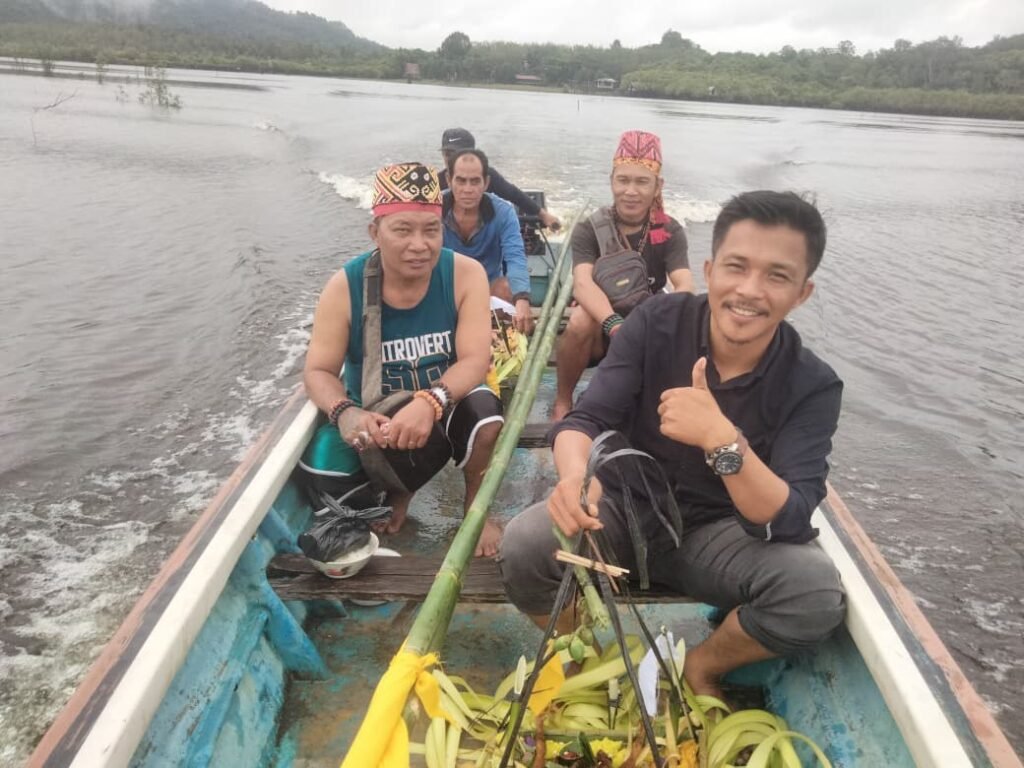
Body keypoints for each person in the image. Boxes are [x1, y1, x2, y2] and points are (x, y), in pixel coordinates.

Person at [499, 190, 847, 697]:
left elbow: (788, 518)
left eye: (777, 276)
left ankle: (701, 667)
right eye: (736, 267)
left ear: (802, 293)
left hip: (720, 534)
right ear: (709, 269)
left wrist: (724, 441)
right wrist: (574, 478)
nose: (750, 290)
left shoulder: (812, 384)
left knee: (813, 592)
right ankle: (589, 656)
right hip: (620, 511)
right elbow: (586, 419)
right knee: (523, 548)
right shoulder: (655, 322)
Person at [301, 162, 505, 557]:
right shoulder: (345, 286)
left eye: (431, 230)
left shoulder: (465, 274)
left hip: (444, 405)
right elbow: (318, 371)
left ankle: (475, 506)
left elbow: (475, 359)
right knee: (321, 465)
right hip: (377, 416)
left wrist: (429, 402)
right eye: (402, 230)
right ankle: (396, 491)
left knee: (485, 417)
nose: (419, 245)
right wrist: (345, 413)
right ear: (375, 232)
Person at [552, 130, 693, 421]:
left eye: (642, 182)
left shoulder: (670, 231)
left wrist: (657, 322)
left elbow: (684, 284)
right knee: (579, 319)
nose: (630, 191)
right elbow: (582, 283)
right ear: (612, 181)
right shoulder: (590, 229)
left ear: (658, 186)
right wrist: (615, 325)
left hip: (646, 324)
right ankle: (563, 401)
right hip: (603, 326)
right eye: (623, 180)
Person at [442, 148, 533, 334]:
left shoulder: (504, 212)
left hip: (486, 290)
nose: (468, 189)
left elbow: (515, 257)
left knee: (507, 288)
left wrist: (522, 299)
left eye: (475, 181)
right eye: (461, 181)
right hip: (444, 289)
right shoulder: (433, 210)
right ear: (449, 180)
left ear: (486, 183)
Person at [438, 127, 562, 232]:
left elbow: (513, 194)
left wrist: (544, 215)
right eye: (447, 154)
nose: (451, 159)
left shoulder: (488, 176)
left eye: (457, 154)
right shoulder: (435, 182)